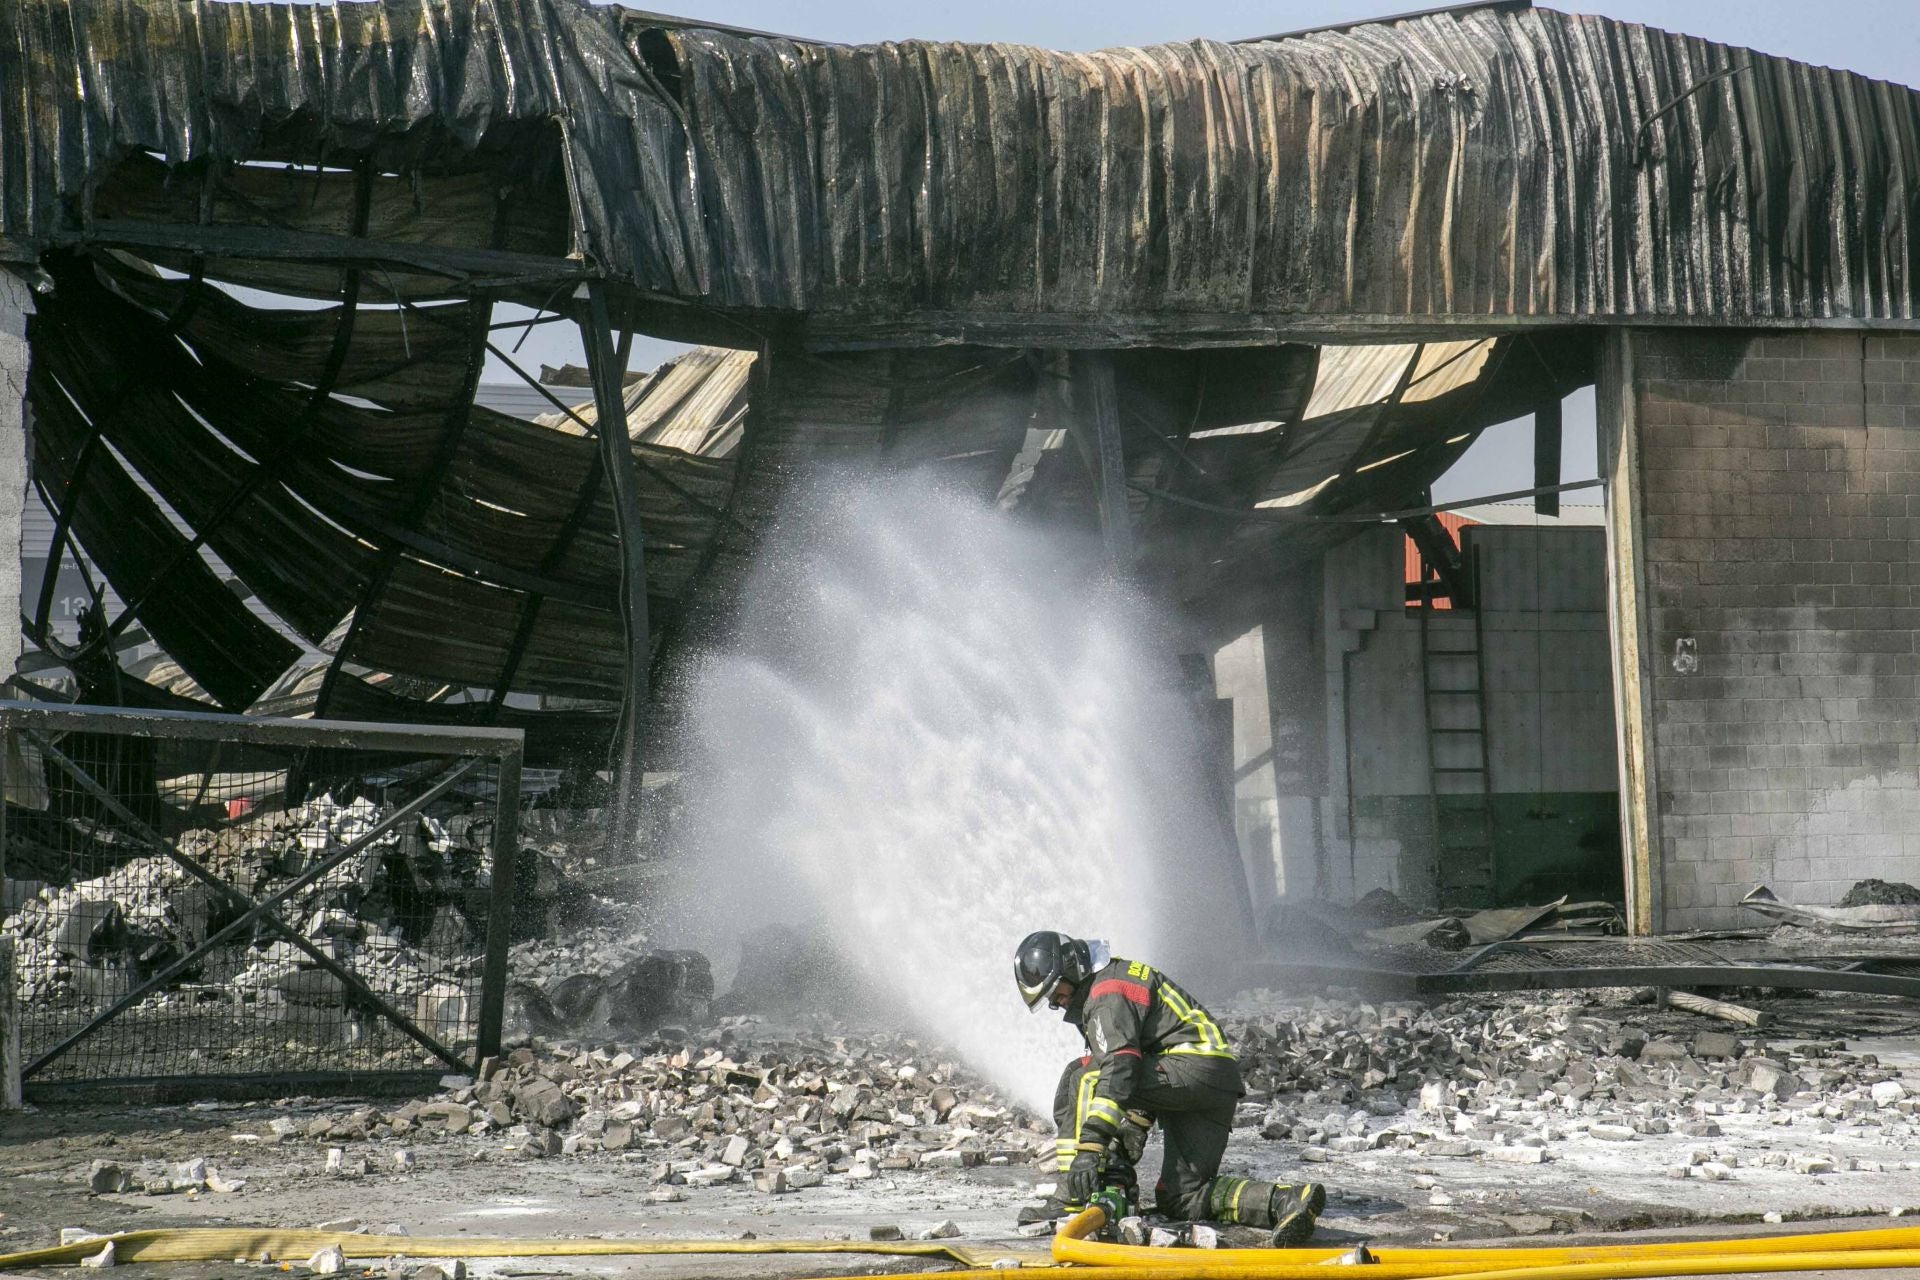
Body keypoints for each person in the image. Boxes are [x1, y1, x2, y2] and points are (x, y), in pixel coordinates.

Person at [1014, 929, 1326, 1246]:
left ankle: (1072, 1196)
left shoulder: (1106, 994)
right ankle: (1286, 1202)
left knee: (1082, 1077)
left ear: (1070, 970)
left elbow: (1120, 1070)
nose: (1058, 1003)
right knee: (1183, 1197)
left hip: (1191, 1068)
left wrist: (1089, 1152)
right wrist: (1133, 1128)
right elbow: (1147, 1057)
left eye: (1057, 993)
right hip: (1212, 1082)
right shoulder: (1109, 983)